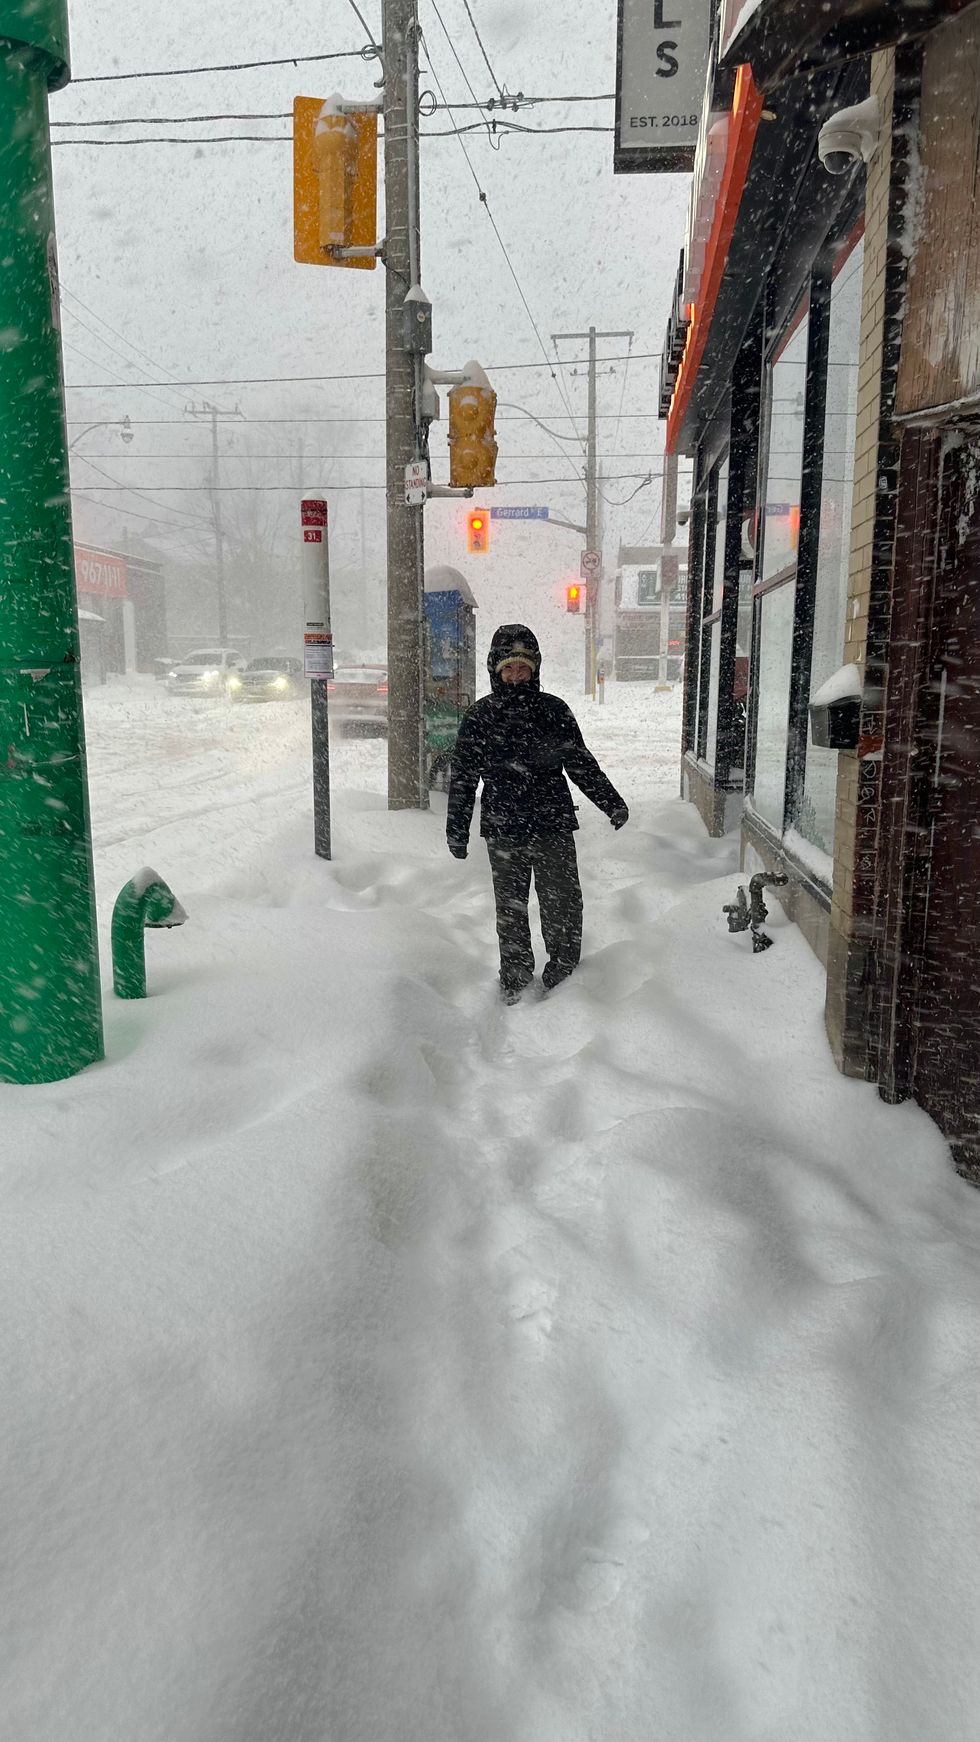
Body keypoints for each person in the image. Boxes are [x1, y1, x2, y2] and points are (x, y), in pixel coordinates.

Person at [446, 623, 629, 1001]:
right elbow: (463, 778)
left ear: (535, 669)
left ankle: (564, 971)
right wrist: (457, 829)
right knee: (511, 908)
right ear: (496, 671)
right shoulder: (480, 716)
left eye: (523, 668)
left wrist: (611, 802)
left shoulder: (553, 711)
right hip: (503, 827)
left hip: (552, 824)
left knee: (562, 902)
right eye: (508, 669)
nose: (516, 676)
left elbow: (581, 765)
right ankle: (515, 976)